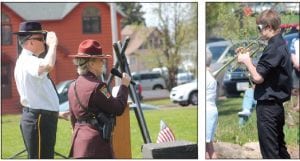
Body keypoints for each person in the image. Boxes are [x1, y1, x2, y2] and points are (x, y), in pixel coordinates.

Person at [237, 9, 292, 158]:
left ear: (268, 27)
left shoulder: (273, 48)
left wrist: (247, 61)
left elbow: (258, 77)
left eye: (259, 28)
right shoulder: (281, 44)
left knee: (270, 153)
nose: (258, 32)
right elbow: (267, 71)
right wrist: (249, 63)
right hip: (276, 107)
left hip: (268, 108)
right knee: (280, 150)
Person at [67, 39, 131, 158]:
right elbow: (118, 108)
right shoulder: (98, 86)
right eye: (100, 60)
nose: (103, 62)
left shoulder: (72, 86)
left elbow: (73, 118)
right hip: (96, 146)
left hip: (79, 144)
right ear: (91, 63)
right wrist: (124, 86)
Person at [13, 21, 59, 158]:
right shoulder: (28, 60)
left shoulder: (28, 60)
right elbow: (48, 65)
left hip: (40, 116)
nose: (44, 42)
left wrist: (56, 111)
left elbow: (38, 93)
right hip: (39, 118)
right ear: (30, 42)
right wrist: (54, 45)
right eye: (40, 39)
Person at [206, 49, 218, 159]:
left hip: (207, 112)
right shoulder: (209, 74)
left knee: (204, 151)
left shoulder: (205, 75)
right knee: (209, 147)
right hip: (212, 110)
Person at [290, 37, 299, 112]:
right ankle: (298, 106)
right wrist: (296, 63)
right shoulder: (294, 40)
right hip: (297, 67)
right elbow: (292, 53)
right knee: (297, 88)